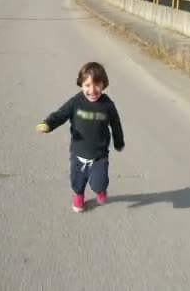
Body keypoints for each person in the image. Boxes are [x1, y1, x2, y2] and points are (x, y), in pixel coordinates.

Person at [36, 62, 125, 212]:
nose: (92, 90)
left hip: (99, 154)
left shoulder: (107, 105)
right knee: (77, 181)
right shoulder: (76, 102)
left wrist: (118, 141)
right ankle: (78, 195)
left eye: (97, 85)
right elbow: (60, 115)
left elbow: (116, 124)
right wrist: (48, 124)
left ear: (104, 84)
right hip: (78, 152)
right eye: (87, 85)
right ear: (81, 84)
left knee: (99, 183)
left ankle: (100, 190)